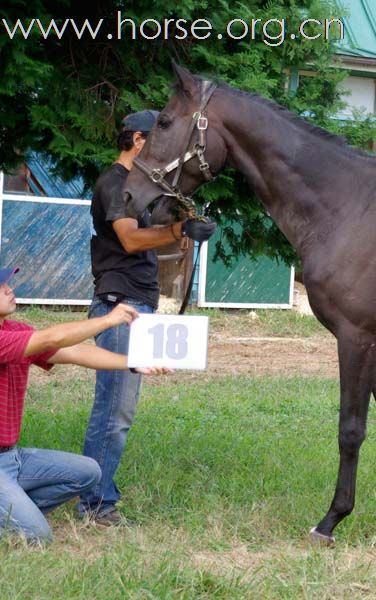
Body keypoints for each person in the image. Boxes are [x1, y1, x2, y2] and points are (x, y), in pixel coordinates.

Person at [81, 110, 216, 525]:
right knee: (114, 410)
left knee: (119, 409)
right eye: (156, 141)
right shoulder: (114, 183)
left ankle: (96, 498)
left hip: (135, 302)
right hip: (120, 305)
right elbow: (129, 238)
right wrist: (179, 231)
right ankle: (95, 505)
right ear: (138, 140)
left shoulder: (137, 187)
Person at [0, 266, 169, 544]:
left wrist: (133, 363)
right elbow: (51, 338)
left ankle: (15, 506)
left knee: (88, 472)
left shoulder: (16, 331)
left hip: (11, 458)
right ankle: (17, 512)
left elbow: (76, 351)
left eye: (7, 283)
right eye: (1, 286)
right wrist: (108, 320)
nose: (9, 289)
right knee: (38, 536)